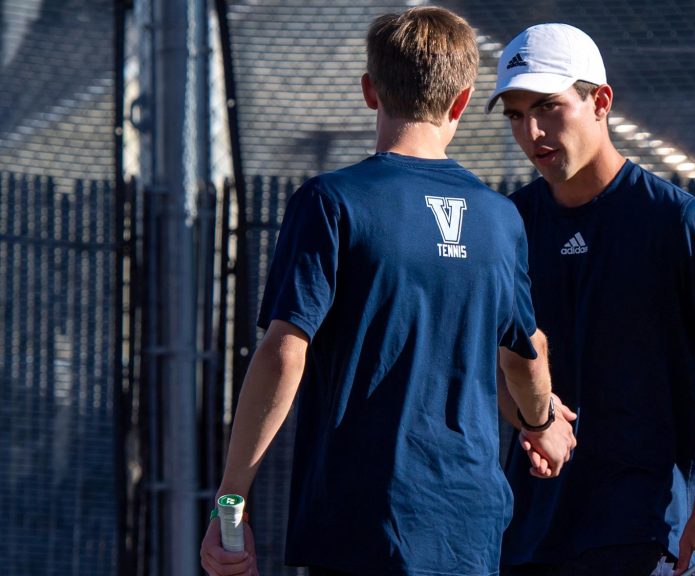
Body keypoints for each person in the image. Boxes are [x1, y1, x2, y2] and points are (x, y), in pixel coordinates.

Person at [199, 8, 576, 576]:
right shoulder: (502, 219)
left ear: (370, 90)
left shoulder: (331, 202)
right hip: (468, 529)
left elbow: (284, 353)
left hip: (359, 523)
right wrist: (543, 424)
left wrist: (231, 501)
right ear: (461, 101)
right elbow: (525, 354)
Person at [486, 23, 695, 576]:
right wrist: (534, 420)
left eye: (548, 107)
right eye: (516, 115)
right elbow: (499, 368)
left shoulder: (676, 222)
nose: (532, 131)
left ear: (601, 102)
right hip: (529, 535)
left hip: (646, 534)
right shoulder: (507, 224)